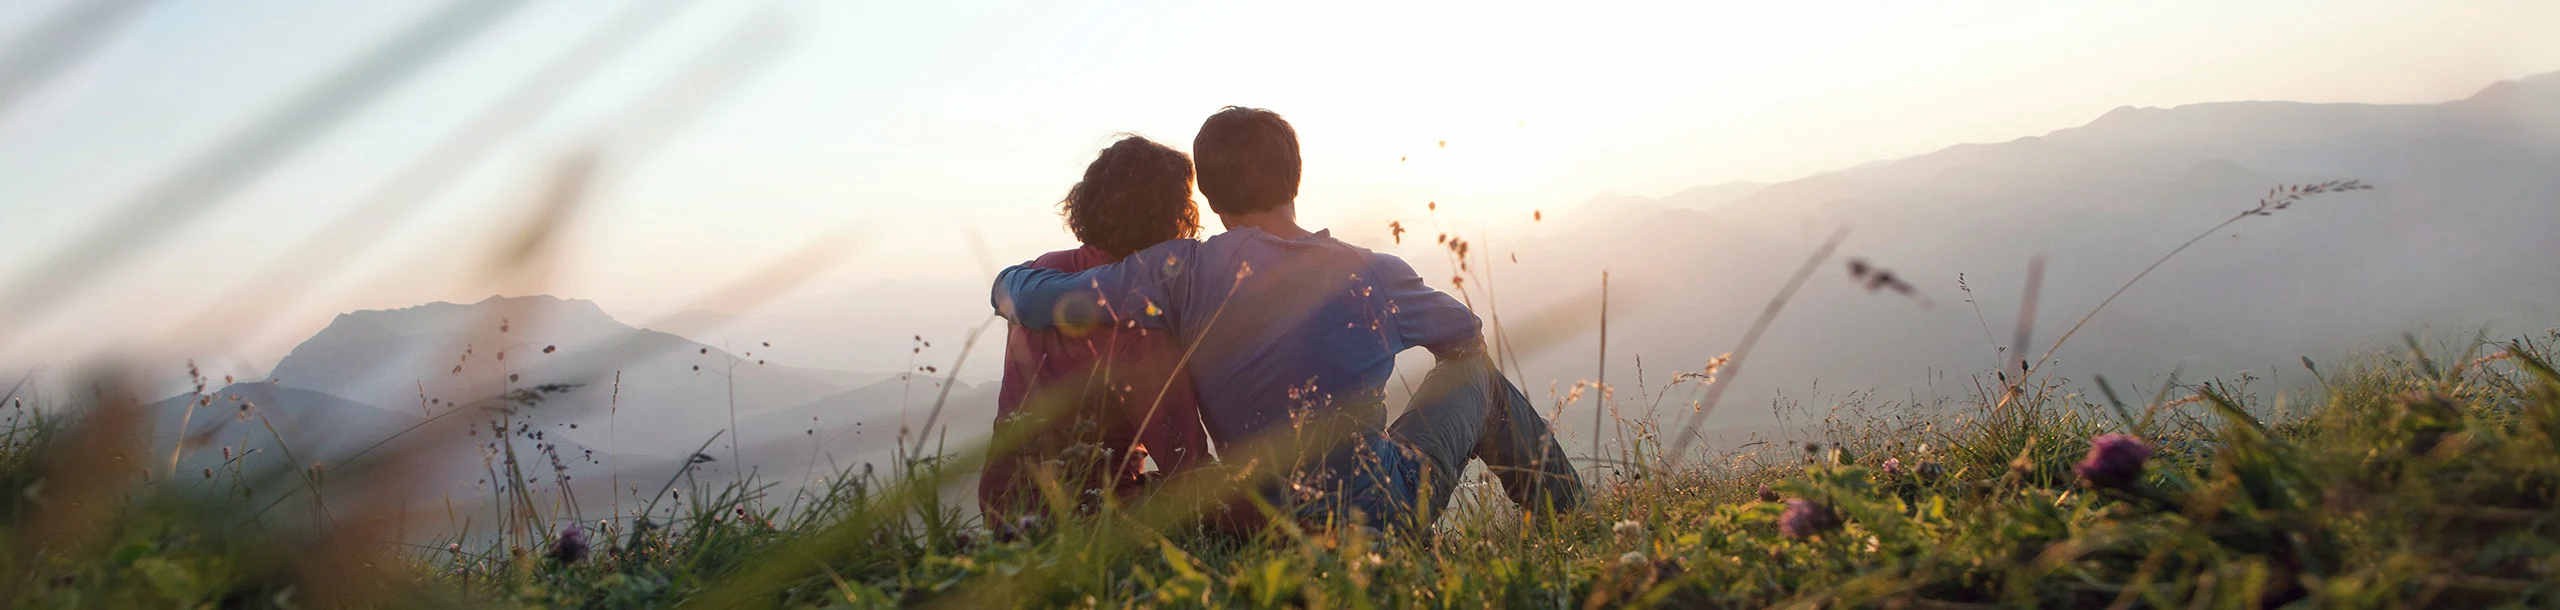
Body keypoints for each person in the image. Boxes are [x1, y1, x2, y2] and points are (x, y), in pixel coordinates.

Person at [991, 107, 1580, 534]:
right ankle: (1572, 521)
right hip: (1380, 514)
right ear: (1296, 175)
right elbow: (1465, 335)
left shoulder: (1177, 271)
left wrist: (1008, 280)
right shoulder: (1372, 272)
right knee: (1479, 378)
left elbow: (1039, 301)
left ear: (1213, 198)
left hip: (1267, 519)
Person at [977, 135, 1215, 529]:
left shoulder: (1042, 271)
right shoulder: (1139, 323)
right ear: (1176, 216)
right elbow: (1183, 463)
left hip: (1003, 508)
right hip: (1089, 519)